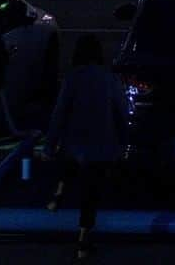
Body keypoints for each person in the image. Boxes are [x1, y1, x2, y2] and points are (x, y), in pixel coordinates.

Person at [44, 34, 131, 260]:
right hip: (102, 143)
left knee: (70, 161)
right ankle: (83, 238)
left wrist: (49, 144)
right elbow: (122, 112)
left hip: (75, 141)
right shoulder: (109, 79)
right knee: (91, 191)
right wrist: (125, 141)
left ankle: (59, 190)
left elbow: (59, 114)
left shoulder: (72, 78)